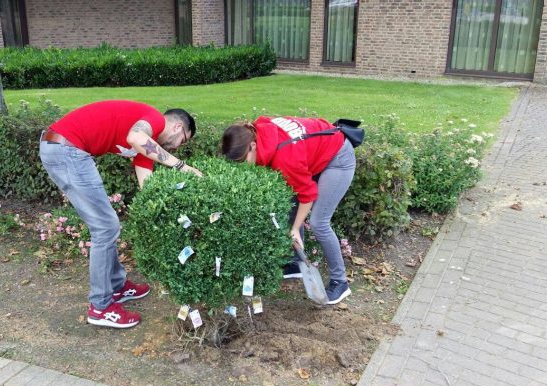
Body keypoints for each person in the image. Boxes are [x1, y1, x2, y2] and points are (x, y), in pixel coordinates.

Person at [39, 100, 201, 328]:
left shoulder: (146, 148)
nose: (176, 148)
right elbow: (136, 137)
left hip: (65, 149)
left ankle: (117, 287)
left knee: (108, 226)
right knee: (105, 227)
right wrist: (181, 166)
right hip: (66, 149)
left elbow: (148, 188)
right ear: (176, 127)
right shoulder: (154, 118)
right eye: (182, 140)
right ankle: (101, 307)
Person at [220, 116, 355, 305]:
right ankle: (295, 263)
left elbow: (307, 196)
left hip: (338, 157)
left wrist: (295, 229)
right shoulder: (259, 130)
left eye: (242, 161)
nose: (242, 167)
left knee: (319, 222)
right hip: (316, 151)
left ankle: (340, 282)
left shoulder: (285, 158)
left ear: (252, 146)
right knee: (290, 201)